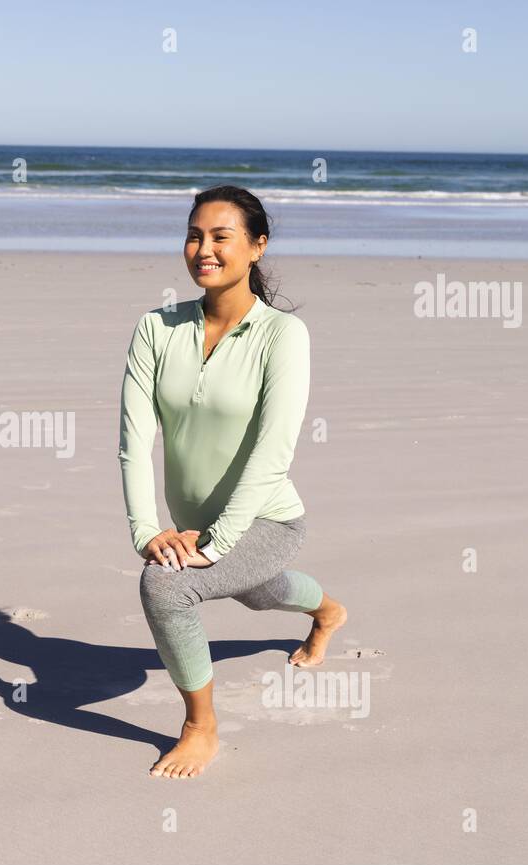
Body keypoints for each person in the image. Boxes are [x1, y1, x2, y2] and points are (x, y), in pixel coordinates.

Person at [118, 185, 348, 778]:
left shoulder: (282, 336)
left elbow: (273, 454)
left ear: (257, 246)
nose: (204, 248)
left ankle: (201, 727)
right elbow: (133, 440)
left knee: (167, 588)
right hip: (191, 523)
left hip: (268, 519)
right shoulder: (155, 328)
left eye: (221, 236)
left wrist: (215, 545)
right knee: (257, 591)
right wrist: (148, 532)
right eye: (195, 234)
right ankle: (328, 612)